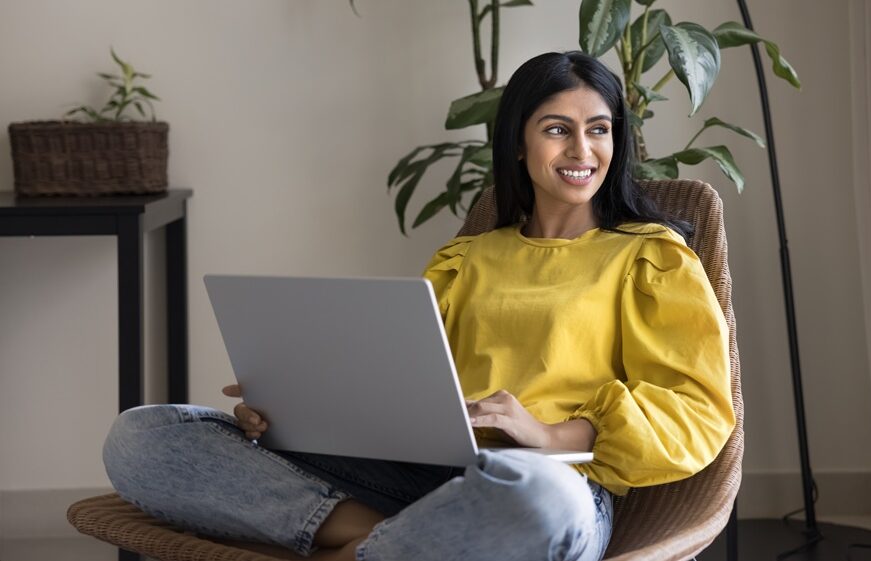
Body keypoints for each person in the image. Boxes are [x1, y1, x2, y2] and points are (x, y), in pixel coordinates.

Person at [101, 51, 734, 561]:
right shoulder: (467, 258)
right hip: (419, 474)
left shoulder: (651, 258)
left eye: (599, 130)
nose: (581, 150)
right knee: (143, 437)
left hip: (547, 481)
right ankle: (385, 539)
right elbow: (408, 380)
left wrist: (546, 435)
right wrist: (297, 404)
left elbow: (696, 409)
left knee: (540, 500)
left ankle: (355, 550)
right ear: (518, 143)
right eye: (557, 129)